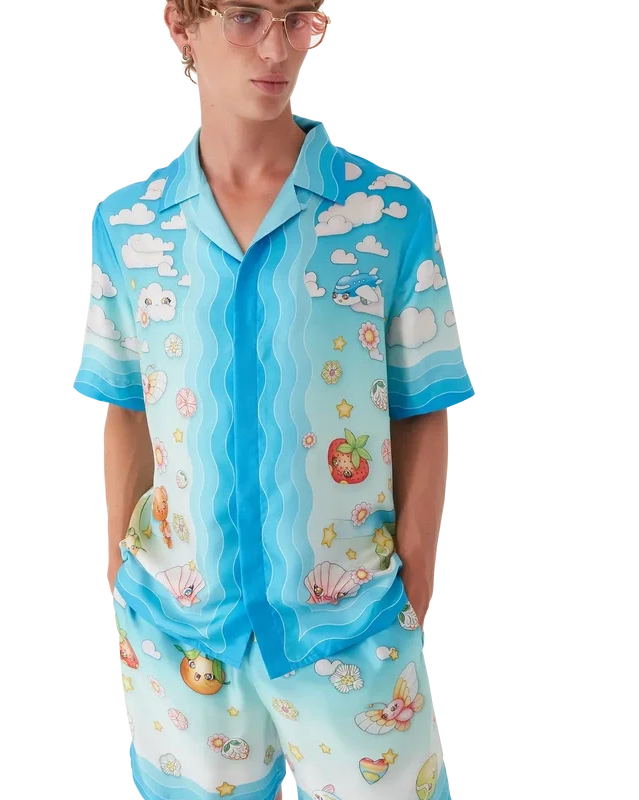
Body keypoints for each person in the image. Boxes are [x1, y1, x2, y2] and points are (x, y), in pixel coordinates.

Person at [73, 2, 474, 798]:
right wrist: (116, 570)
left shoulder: (388, 212)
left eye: (297, 21)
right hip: (178, 628)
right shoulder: (129, 224)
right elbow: (125, 405)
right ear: (180, 25)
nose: (276, 49)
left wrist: (417, 578)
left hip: (352, 622)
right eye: (247, 17)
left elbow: (423, 403)